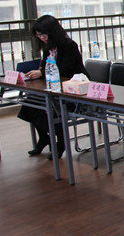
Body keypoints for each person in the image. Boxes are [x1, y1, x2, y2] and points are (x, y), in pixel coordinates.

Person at [19, 15, 87, 159]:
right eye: (38, 35)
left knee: (52, 107)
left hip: (72, 89)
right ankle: (44, 138)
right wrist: (39, 72)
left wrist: (42, 73)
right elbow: (44, 66)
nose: (41, 38)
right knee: (30, 103)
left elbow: (65, 70)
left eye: (43, 34)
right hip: (54, 88)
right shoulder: (48, 47)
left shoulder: (69, 45)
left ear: (53, 31)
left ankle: (61, 142)